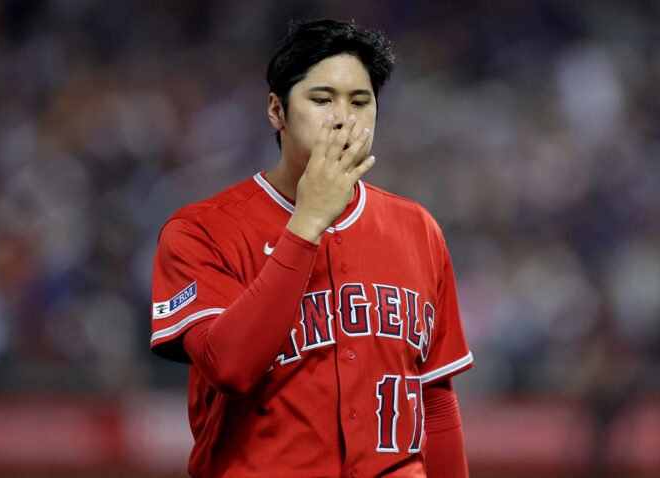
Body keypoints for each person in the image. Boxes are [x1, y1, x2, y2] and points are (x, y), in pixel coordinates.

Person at [151, 19, 473, 477]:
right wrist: (307, 222)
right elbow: (229, 367)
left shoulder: (417, 229)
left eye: (361, 102)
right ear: (277, 112)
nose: (344, 117)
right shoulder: (200, 231)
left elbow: (435, 399)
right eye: (322, 100)